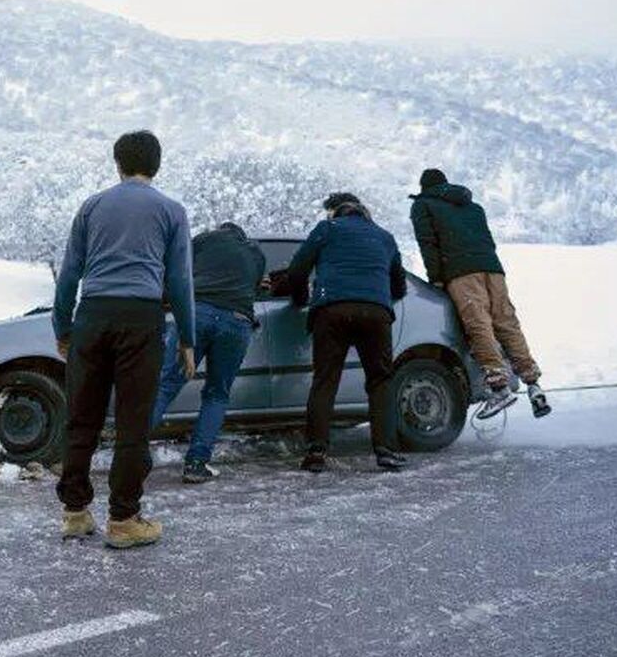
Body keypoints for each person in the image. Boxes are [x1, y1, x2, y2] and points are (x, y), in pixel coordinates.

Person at [53, 130, 196, 549]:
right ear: (157, 165)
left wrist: (64, 328)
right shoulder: (171, 210)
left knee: (82, 417)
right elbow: (180, 280)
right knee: (133, 421)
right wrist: (187, 338)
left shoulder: (92, 206)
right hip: (141, 318)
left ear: (117, 164)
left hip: (93, 315)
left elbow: (69, 275)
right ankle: (124, 519)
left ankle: (75, 513)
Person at [410, 169, 550, 419]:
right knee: (507, 323)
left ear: (424, 188)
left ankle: (499, 387)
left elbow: (428, 244)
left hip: (461, 272)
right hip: (493, 270)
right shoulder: (473, 207)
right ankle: (533, 384)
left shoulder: (423, 205)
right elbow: (488, 242)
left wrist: (437, 279)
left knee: (479, 326)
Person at [287, 193, 408, 472]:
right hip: (376, 314)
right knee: (380, 380)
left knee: (325, 379)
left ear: (337, 213)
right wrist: (378, 294)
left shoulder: (327, 229)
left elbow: (297, 270)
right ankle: (386, 449)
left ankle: (316, 451)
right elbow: (399, 285)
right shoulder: (384, 236)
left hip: (332, 311)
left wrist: (300, 300)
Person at [149, 222, 268, 483]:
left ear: (220, 230)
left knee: (166, 385)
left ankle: (132, 454)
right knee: (217, 394)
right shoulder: (256, 253)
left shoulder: (205, 240)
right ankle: (196, 464)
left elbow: (177, 271)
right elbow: (256, 288)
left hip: (197, 313)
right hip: (237, 320)